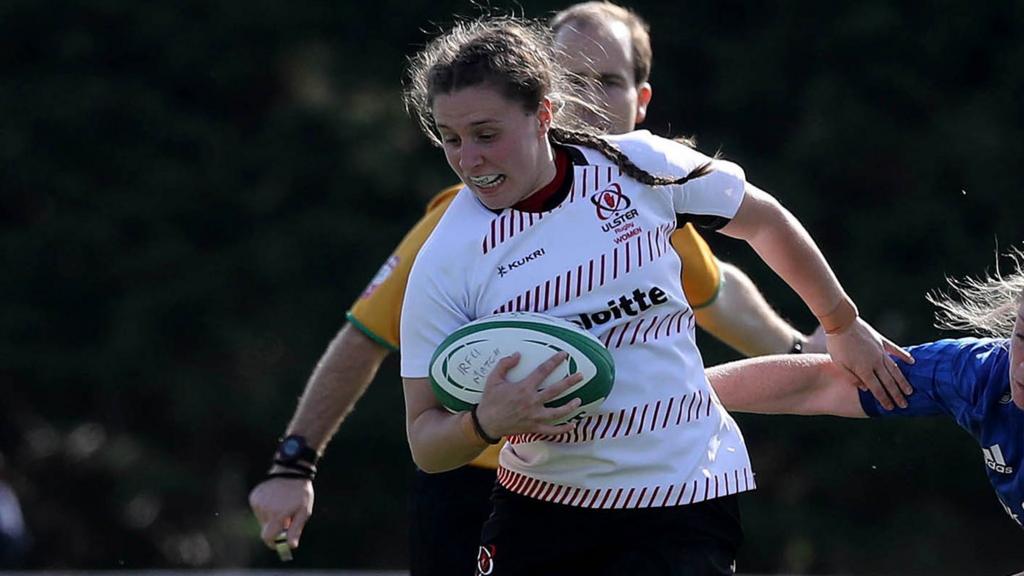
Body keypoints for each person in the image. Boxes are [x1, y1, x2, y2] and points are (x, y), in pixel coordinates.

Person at [249, 3, 833, 573]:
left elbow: (718, 292)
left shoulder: (647, 190)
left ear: (638, 100)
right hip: (490, 486)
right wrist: (293, 462)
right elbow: (367, 338)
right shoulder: (456, 237)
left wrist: (816, 348)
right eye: (573, 76)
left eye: (607, 81)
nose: (588, 98)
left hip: (660, 494)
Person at [398, 16, 910, 575]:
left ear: (544, 113)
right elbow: (425, 441)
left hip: (682, 495)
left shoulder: (638, 167)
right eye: (451, 139)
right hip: (543, 509)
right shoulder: (446, 258)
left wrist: (841, 324)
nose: (469, 159)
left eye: (486, 134)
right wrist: (483, 423)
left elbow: (762, 221)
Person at [709, 247, 1024, 528]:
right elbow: (820, 384)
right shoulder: (981, 373)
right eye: (1021, 337)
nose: (1020, 369)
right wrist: (681, 396)